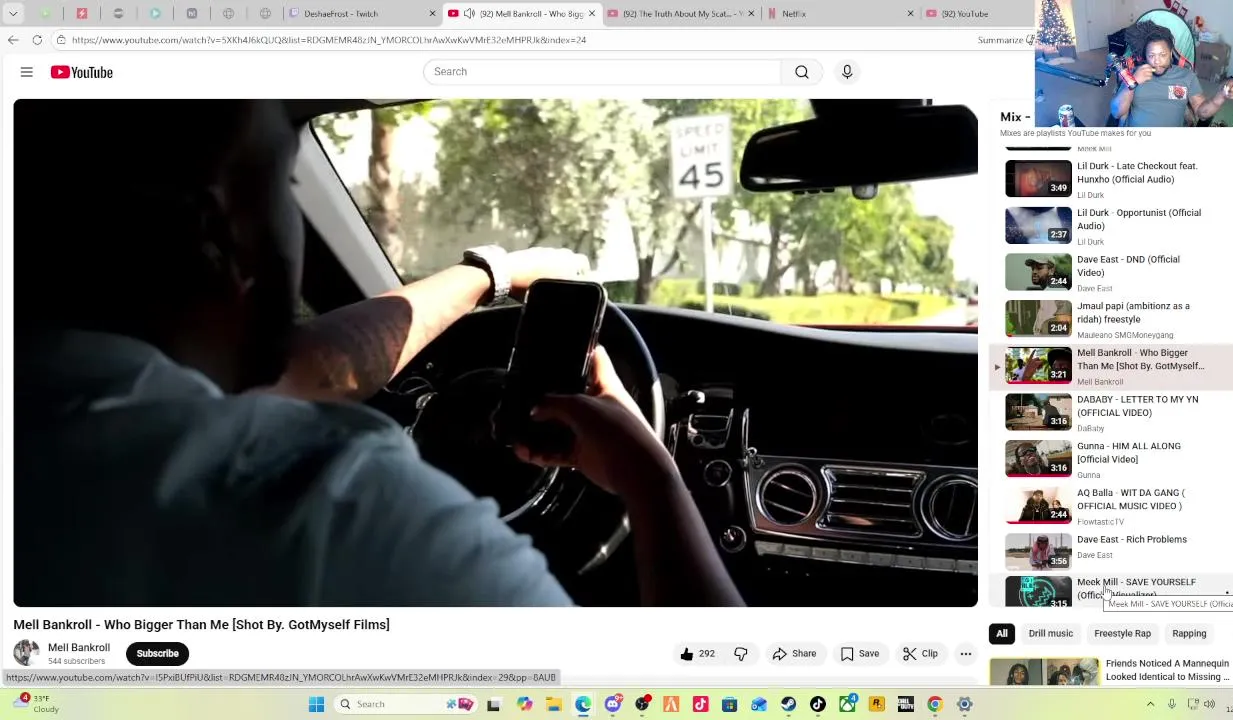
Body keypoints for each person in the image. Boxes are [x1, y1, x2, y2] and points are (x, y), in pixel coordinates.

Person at [13, 100, 743, 607]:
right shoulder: (335, 504)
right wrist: (651, 475)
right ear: (221, 229)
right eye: (287, 183)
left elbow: (308, 372)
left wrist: (494, 273)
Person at [1111, 21, 1233, 127]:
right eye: (1151, 55)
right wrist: (1132, 83)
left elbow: (1201, 113)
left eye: (1162, 55)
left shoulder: (1186, 76)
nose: (1157, 61)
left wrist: (1221, 96)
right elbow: (1116, 113)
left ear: (1170, 54)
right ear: (1145, 56)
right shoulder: (1133, 74)